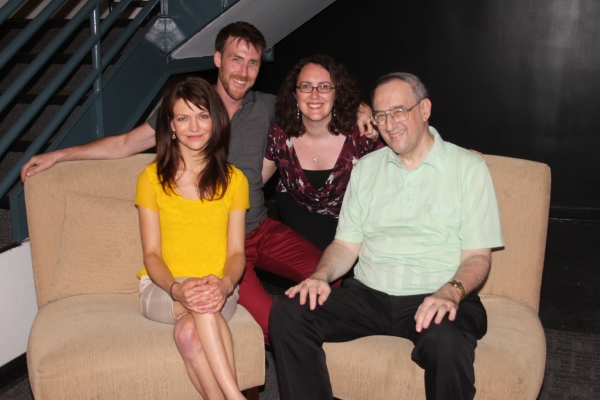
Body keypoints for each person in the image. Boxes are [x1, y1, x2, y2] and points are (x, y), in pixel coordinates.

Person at [20, 22, 374, 343]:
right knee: (270, 323)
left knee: (329, 274)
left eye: (253, 63)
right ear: (217, 58)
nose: (244, 72)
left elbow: (315, 96)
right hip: (219, 247)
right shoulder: (186, 105)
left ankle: (314, 340)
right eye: (236, 60)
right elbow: (127, 143)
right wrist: (60, 155)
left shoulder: (266, 106)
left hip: (260, 227)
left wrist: (361, 108)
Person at [269, 72, 504, 400]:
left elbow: (479, 255)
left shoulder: (467, 168)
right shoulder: (365, 168)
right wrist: (320, 276)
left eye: (399, 111)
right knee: (289, 311)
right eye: (381, 115)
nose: (389, 123)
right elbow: (346, 244)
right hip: (369, 296)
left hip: (436, 293)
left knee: (446, 339)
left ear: (424, 110)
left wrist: (451, 292)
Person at [136, 76, 247, 399]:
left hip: (218, 289)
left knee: (189, 332)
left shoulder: (235, 180)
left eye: (202, 115)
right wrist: (177, 288)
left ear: (215, 121)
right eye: (183, 118)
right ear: (171, 125)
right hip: (163, 289)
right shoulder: (150, 178)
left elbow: (237, 253)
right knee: (198, 304)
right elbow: (152, 255)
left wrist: (226, 284)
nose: (193, 126)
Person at [262, 55, 383, 251]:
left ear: (337, 93)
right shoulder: (280, 135)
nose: (315, 95)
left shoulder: (361, 135)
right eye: (306, 86)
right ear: (294, 93)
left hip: (352, 235)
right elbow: (251, 183)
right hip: (298, 232)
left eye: (325, 86)